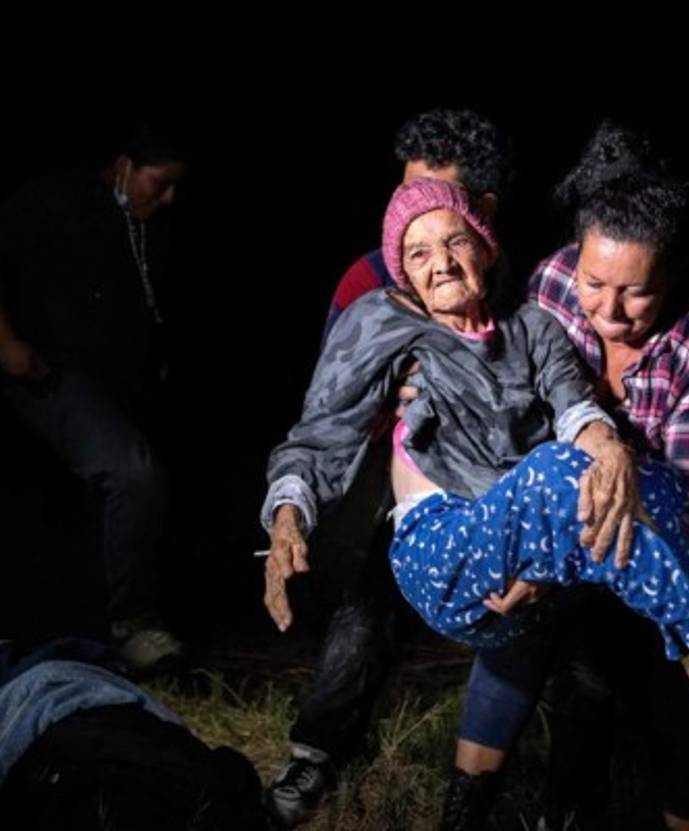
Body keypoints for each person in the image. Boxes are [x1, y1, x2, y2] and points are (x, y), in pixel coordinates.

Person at [264, 177, 689, 829]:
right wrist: (289, 513)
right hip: (441, 549)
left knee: (643, 481)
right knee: (560, 475)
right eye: (416, 252)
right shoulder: (384, 319)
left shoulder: (534, 327)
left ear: (487, 247)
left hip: (531, 553)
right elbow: (321, 431)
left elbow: (574, 405)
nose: (439, 261)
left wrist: (607, 448)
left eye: (455, 240)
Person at [264, 110, 514, 826]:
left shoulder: (521, 285)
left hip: (494, 479)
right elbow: (326, 416)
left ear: (484, 215)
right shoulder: (368, 284)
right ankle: (315, 751)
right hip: (389, 468)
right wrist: (289, 509)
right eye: (402, 197)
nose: (413, 226)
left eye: (436, 205)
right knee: (368, 603)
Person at [0, 127, 187, 672]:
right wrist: (3, 341)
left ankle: (93, 636)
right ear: (126, 165)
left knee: (122, 493)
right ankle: (134, 623)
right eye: (161, 184)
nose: (169, 198)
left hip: (122, 385)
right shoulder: (60, 197)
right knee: (134, 474)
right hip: (53, 374)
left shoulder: (149, 226)